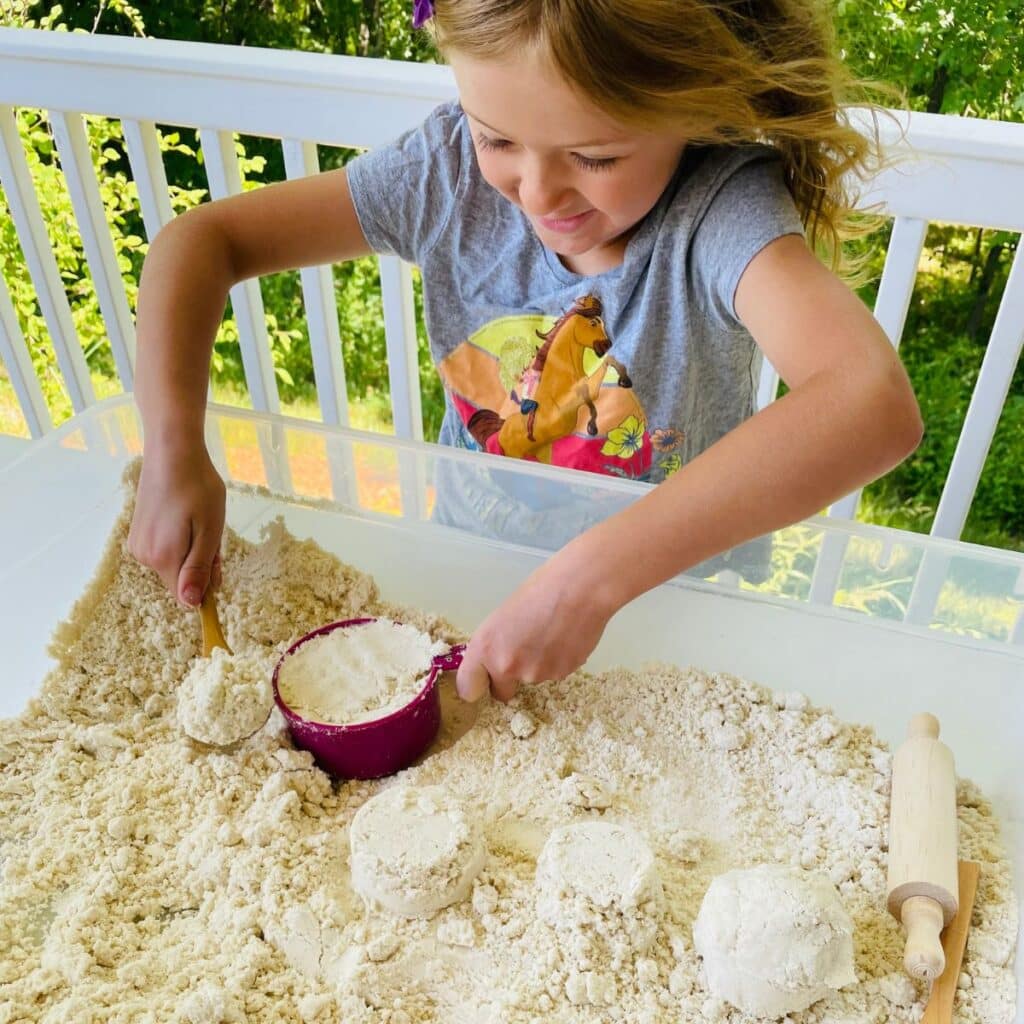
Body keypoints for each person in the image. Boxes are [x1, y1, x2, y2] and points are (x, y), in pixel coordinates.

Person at [128, 0, 923, 706]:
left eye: (597, 156)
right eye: (497, 138)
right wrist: (171, 449)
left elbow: (870, 402)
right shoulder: (441, 175)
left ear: (694, 108)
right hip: (464, 578)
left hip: (665, 620)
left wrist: (590, 581)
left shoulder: (719, 214)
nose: (538, 194)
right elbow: (201, 242)